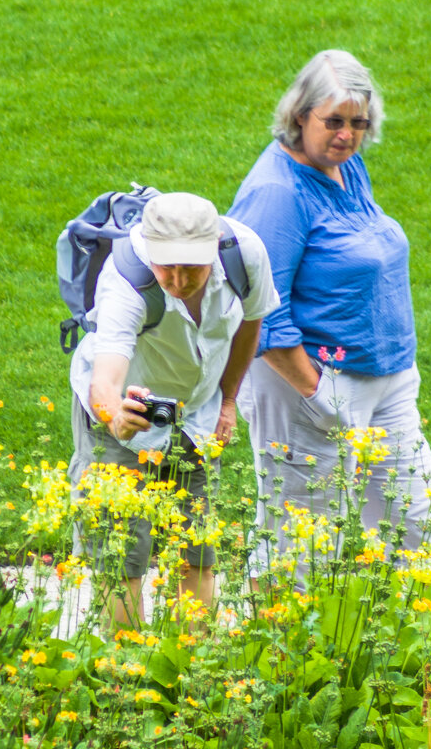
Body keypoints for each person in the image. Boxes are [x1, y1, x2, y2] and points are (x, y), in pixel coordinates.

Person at [227, 49, 431, 583]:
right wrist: (316, 395)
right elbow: (256, 307)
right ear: (299, 114)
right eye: (334, 121)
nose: (347, 135)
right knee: (301, 539)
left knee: (418, 521)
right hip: (312, 384)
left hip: (386, 378)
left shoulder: (345, 167)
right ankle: (287, 659)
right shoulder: (278, 193)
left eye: (358, 122)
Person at [67, 191, 279, 624]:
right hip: (127, 412)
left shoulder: (245, 253)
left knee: (197, 547)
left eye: (192, 268)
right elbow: (105, 377)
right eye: (168, 266)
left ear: (214, 248)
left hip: (195, 416)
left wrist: (229, 400)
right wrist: (116, 417)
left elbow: (250, 323)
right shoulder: (126, 283)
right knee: (120, 553)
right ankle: (123, 676)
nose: (179, 281)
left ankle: (190, 669)